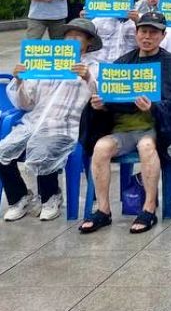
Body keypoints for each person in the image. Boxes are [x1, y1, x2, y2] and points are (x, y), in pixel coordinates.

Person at [78, 12, 171, 234]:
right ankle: (103, 210)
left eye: (153, 32)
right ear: (136, 33)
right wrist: (101, 105)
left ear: (163, 35)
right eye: (143, 31)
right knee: (100, 148)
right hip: (123, 129)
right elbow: (111, 100)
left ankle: (148, 208)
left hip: (154, 128)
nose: (147, 37)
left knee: (146, 146)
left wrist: (153, 107)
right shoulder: (123, 62)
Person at [1, 19, 101, 221]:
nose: (71, 40)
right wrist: (20, 79)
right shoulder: (44, 65)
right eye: (68, 36)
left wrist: (88, 78)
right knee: (3, 150)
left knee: (43, 148)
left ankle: (51, 197)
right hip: (33, 122)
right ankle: (19, 197)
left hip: (65, 126)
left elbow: (102, 98)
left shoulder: (94, 67)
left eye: (78, 37)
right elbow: (25, 103)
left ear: (88, 42)